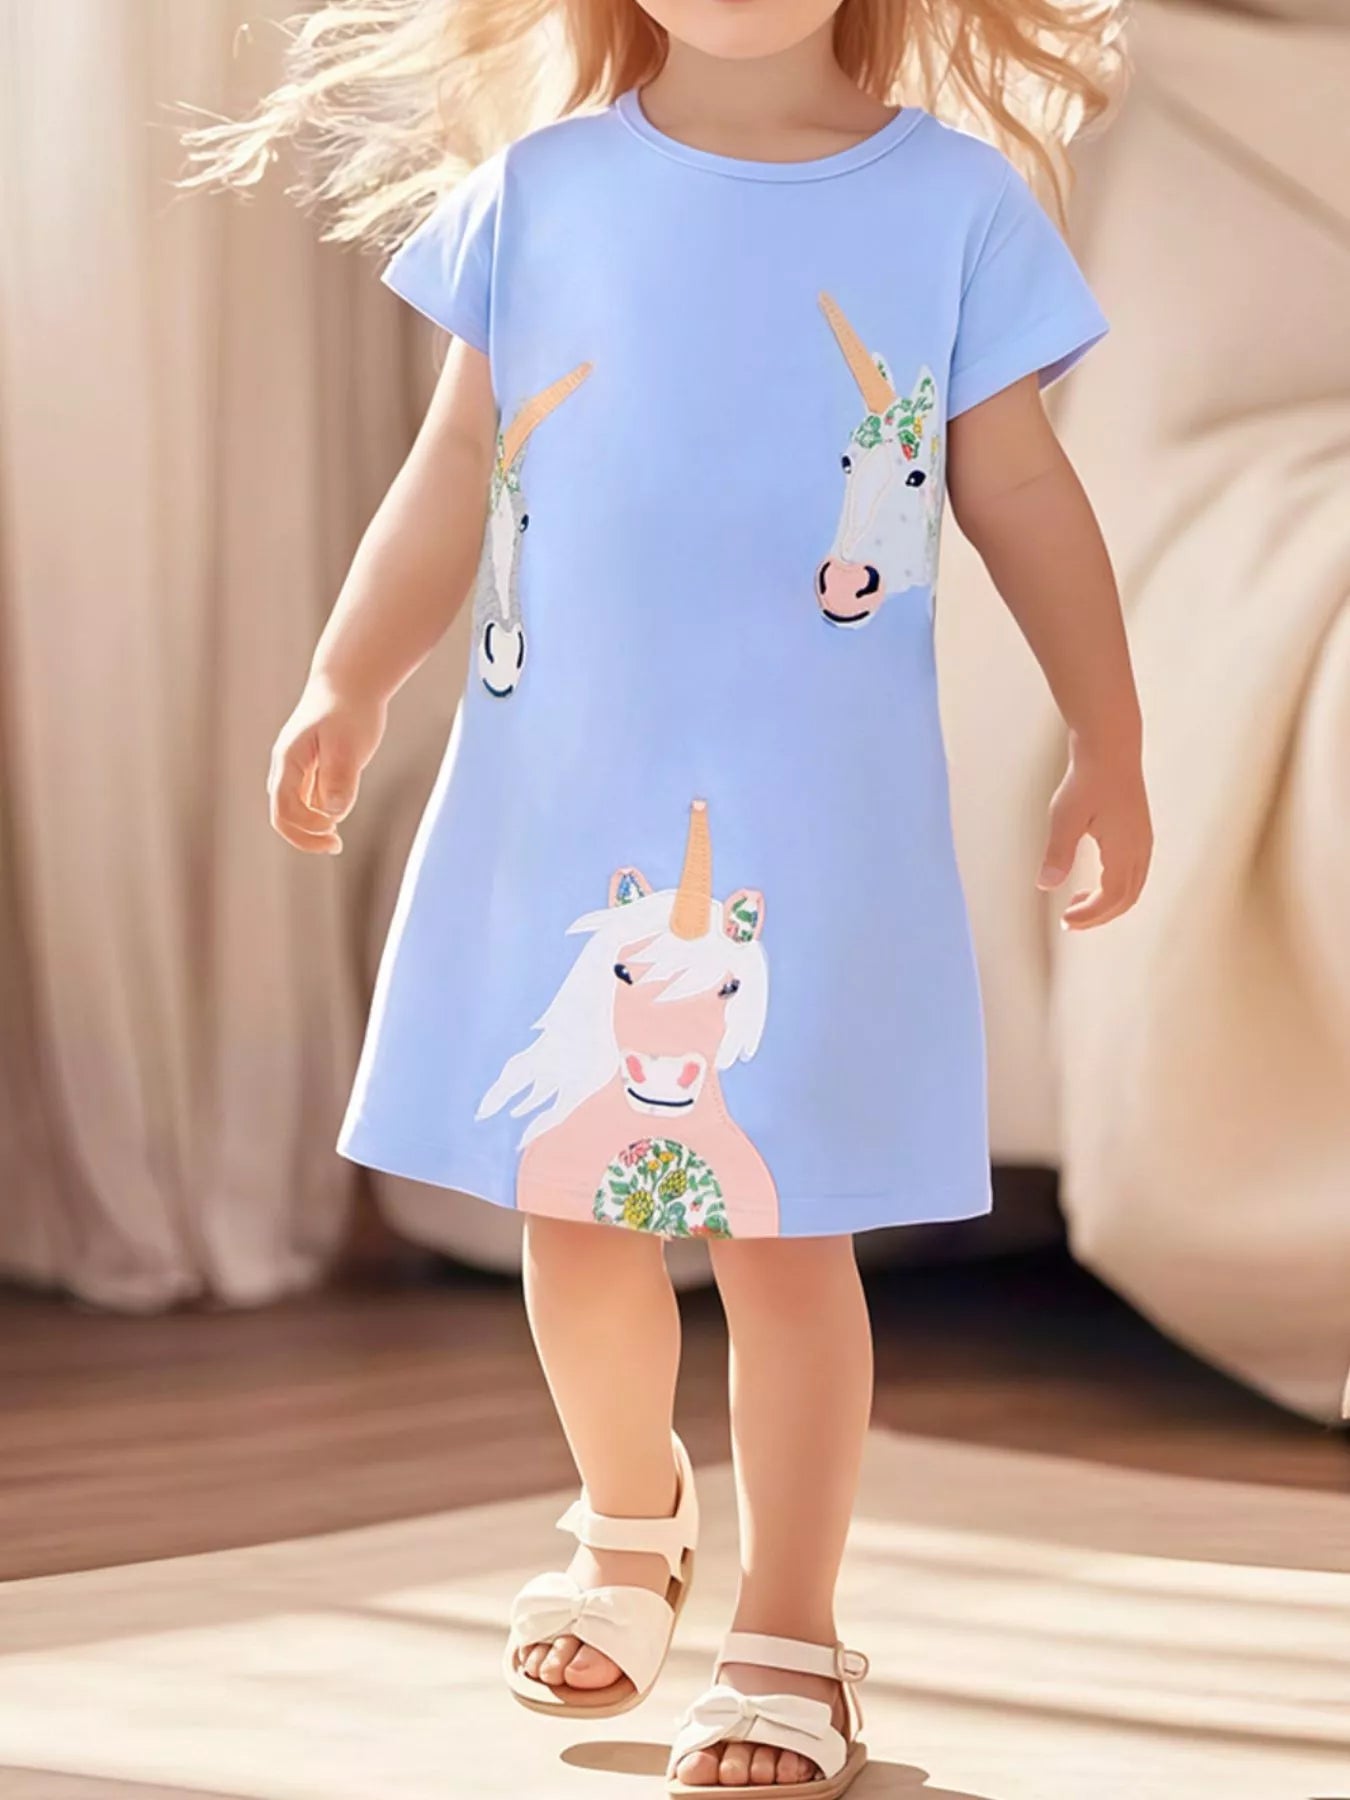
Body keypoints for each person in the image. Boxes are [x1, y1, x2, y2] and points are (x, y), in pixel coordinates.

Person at [189, 1, 1148, 1791]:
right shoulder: (537, 191)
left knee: (787, 1229)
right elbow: (453, 465)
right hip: (570, 792)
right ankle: (628, 1522)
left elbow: (1017, 481)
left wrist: (1110, 735)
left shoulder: (951, 203)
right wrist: (347, 676)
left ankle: (792, 1626)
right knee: (575, 1204)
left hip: (817, 814)